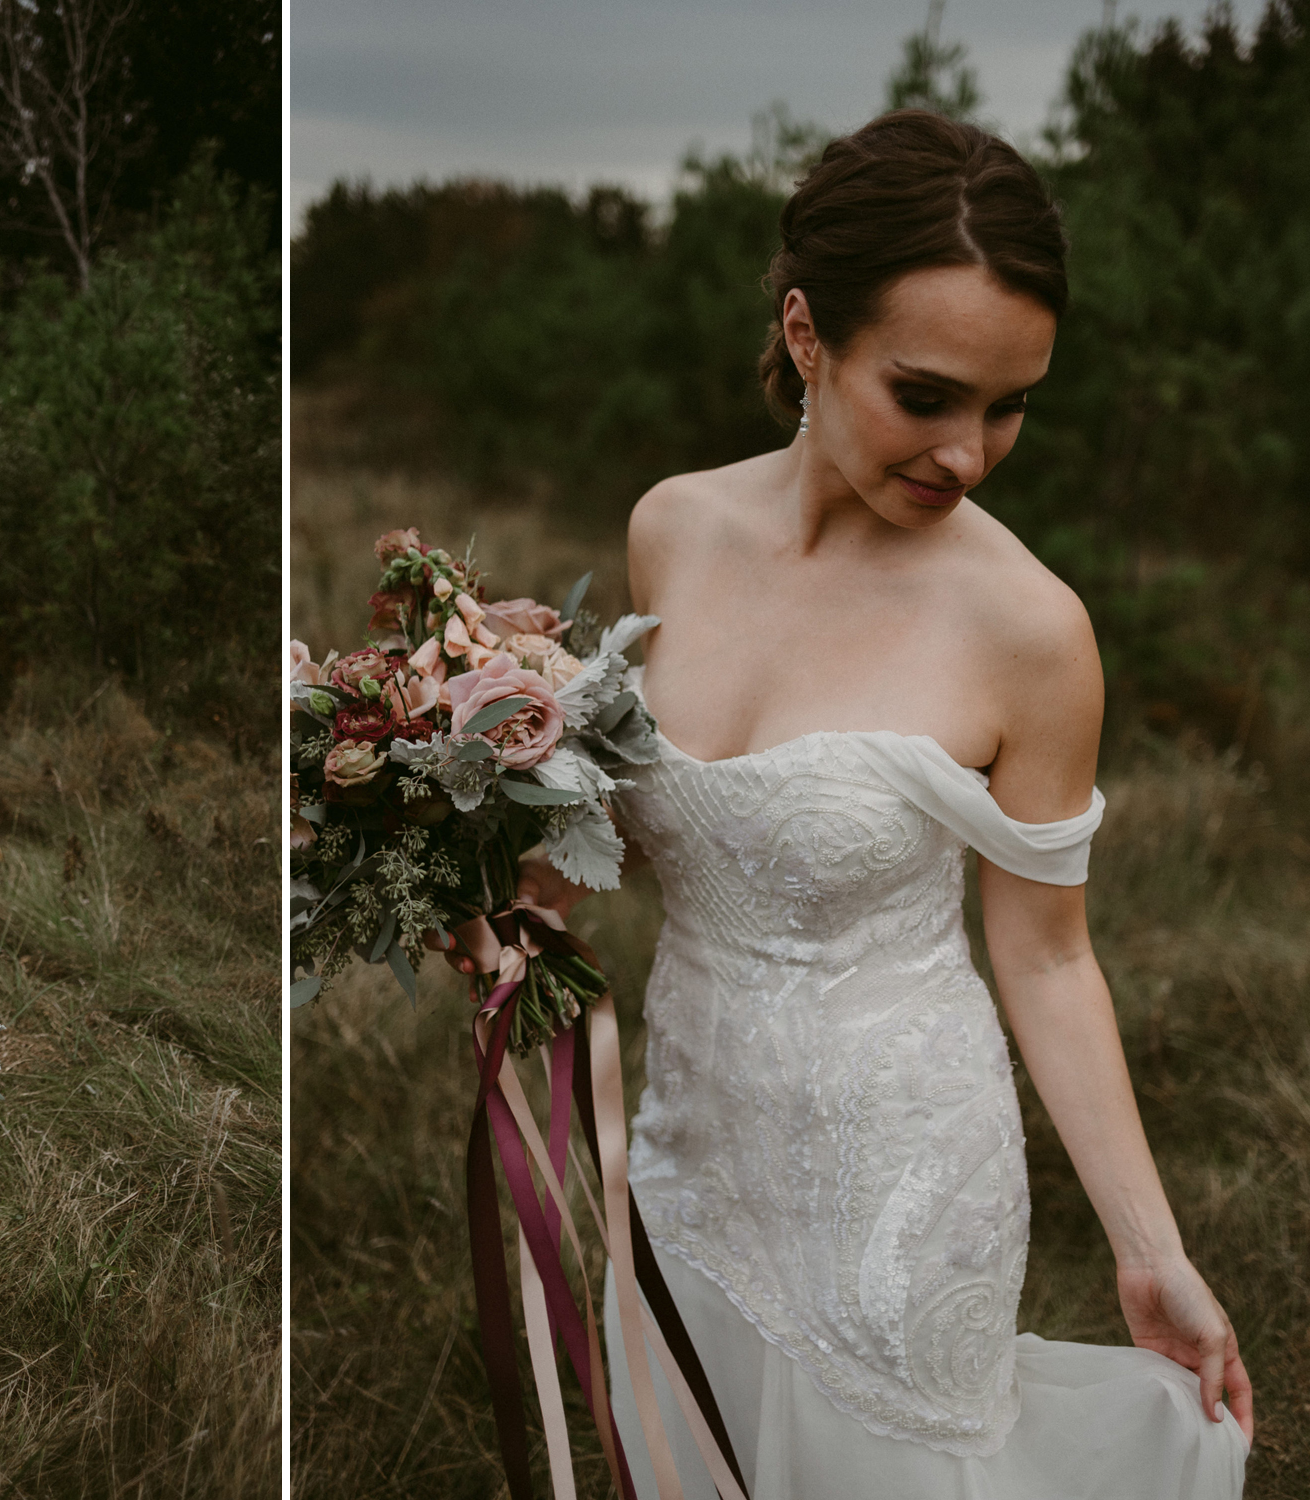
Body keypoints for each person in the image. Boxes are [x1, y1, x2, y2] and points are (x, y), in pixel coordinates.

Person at [438, 111, 1249, 1496]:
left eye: (1010, 406)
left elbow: (1049, 957)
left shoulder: (1031, 630)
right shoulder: (672, 527)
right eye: (927, 395)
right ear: (808, 336)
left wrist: (1148, 1244)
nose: (972, 454)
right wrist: (515, 892)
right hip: (687, 1146)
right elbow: (645, 808)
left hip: (902, 1188)